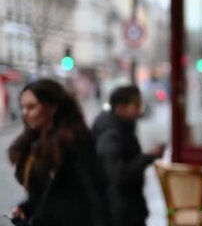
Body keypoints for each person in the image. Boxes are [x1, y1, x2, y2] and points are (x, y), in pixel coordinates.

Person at [7, 78, 109, 226]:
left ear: (52, 107)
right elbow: (43, 193)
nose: (25, 113)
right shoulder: (32, 141)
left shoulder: (74, 141)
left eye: (31, 107)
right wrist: (26, 208)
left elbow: (92, 194)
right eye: (23, 107)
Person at [92, 85, 164, 226]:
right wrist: (148, 157)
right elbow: (120, 175)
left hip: (127, 208)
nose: (139, 110)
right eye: (136, 105)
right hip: (121, 212)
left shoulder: (122, 129)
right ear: (120, 107)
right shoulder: (112, 136)